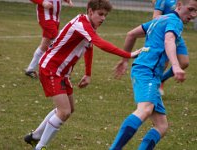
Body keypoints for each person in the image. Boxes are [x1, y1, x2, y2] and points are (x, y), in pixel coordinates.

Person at [24, 0, 141, 149]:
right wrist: (128, 54)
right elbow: (100, 43)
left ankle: (34, 137)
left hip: (62, 72)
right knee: (64, 111)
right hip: (51, 69)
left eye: (105, 15)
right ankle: (40, 146)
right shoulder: (81, 24)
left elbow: (89, 47)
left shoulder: (89, 26)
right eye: (100, 14)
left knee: (68, 109)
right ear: (90, 11)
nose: (103, 18)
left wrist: (88, 74)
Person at [110, 0, 197, 149]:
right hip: (147, 71)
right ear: (179, 5)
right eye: (191, 9)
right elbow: (169, 40)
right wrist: (175, 66)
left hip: (148, 71)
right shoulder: (175, 21)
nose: (194, 15)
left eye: (196, 11)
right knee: (145, 109)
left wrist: (125, 59)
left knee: (161, 126)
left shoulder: (161, 19)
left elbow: (131, 34)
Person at [25, 0, 74, 78]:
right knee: (58, 41)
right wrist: (42, 2)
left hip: (55, 18)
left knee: (45, 45)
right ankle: (57, 70)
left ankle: (30, 69)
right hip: (45, 17)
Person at [152, 0, 189, 95]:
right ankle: (153, 86)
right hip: (166, 34)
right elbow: (155, 17)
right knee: (163, 63)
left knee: (184, 63)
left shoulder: (185, 1)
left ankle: (162, 80)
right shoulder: (163, 1)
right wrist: (171, 19)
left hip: (177, 35)